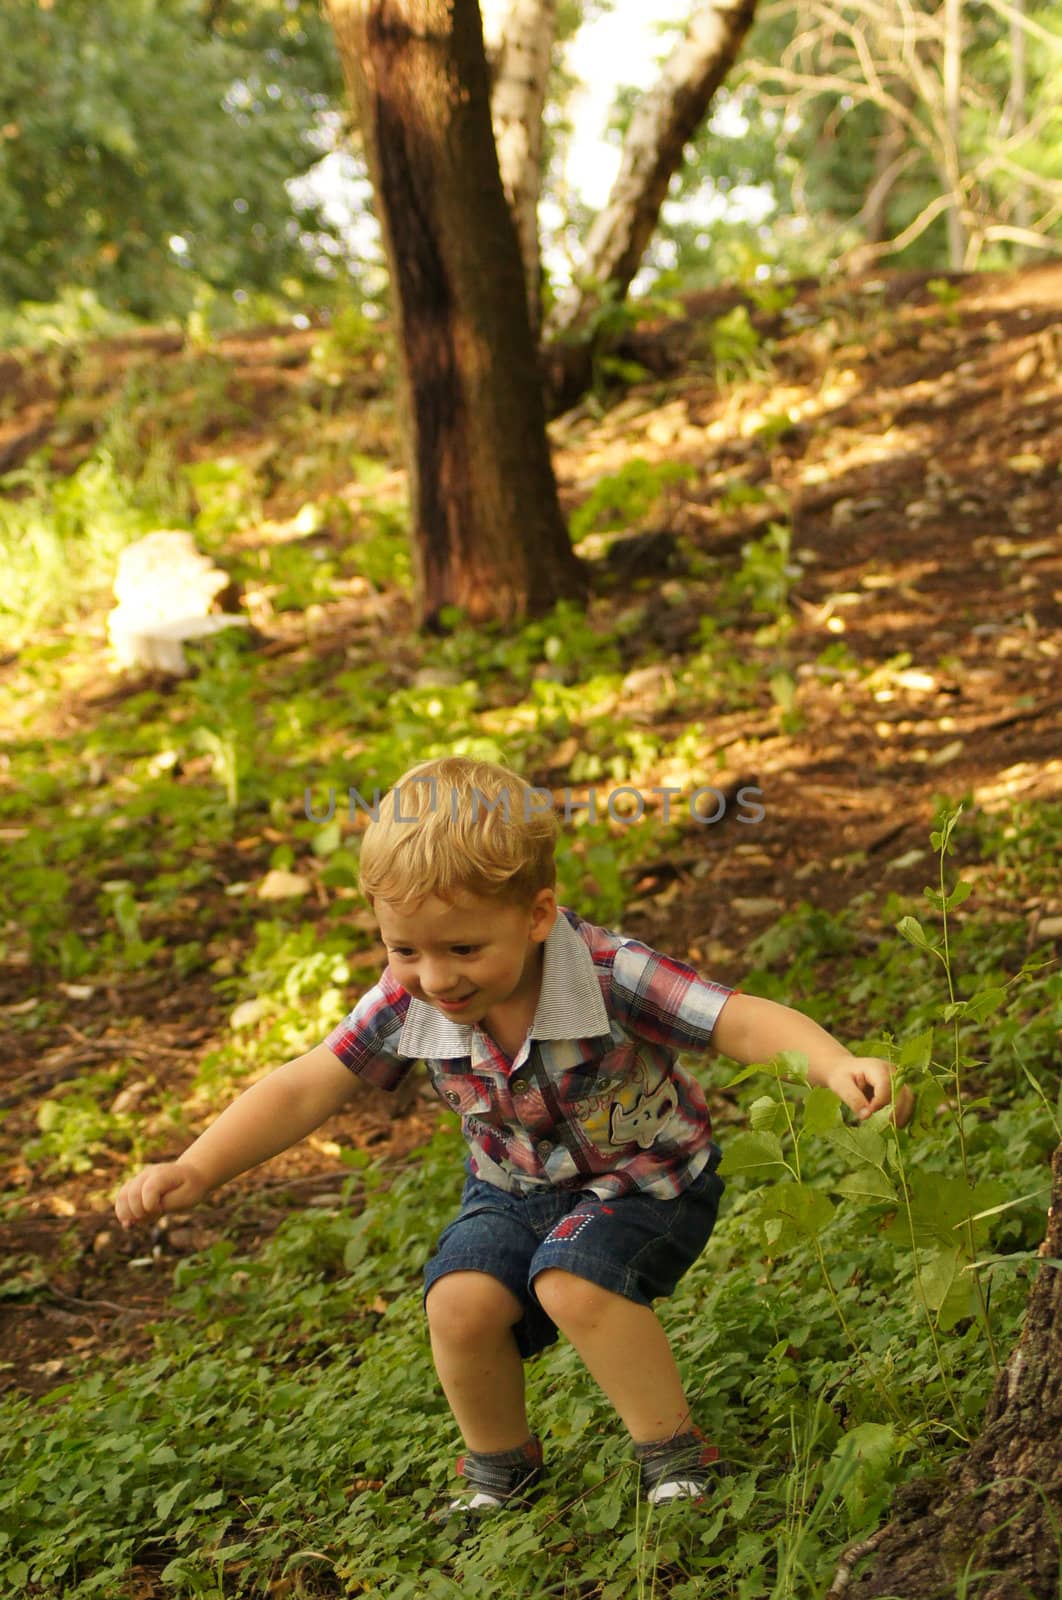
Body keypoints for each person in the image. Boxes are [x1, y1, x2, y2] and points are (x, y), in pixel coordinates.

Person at [115, 756, 913, 1517]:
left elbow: (733, 1019)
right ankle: (502, 1466)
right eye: (405, 949)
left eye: (463, 948)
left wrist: (834, 1063)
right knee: (458, 1305)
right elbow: (307, 1084)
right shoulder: (412, 996)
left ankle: (675, 1456)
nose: (435, 976)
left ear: (536, 915)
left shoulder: (608, 971)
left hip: (646, 1178)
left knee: (572, 1281)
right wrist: (197, 1166)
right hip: (511, 1188)